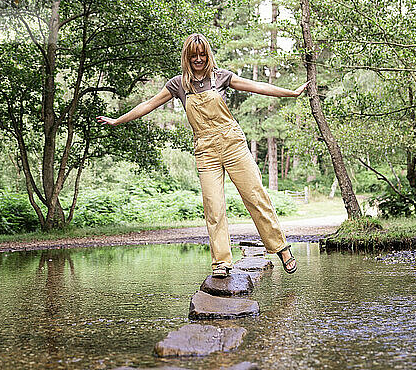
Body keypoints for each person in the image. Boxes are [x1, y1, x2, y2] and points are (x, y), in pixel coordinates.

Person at [97, 33, 308, 278]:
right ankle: (222, 262)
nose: (198, 59)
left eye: (202, 54)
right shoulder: (178, 85)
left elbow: (258, 86)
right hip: (205, 150)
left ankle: (280, 247)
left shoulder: (222, 77)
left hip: (233, 144)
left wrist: (290, 93)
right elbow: (148, 105)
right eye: (193, 55)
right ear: (187, 57)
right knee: (213, 207)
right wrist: (117, 120)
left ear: (208, 55)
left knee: (255, 196)